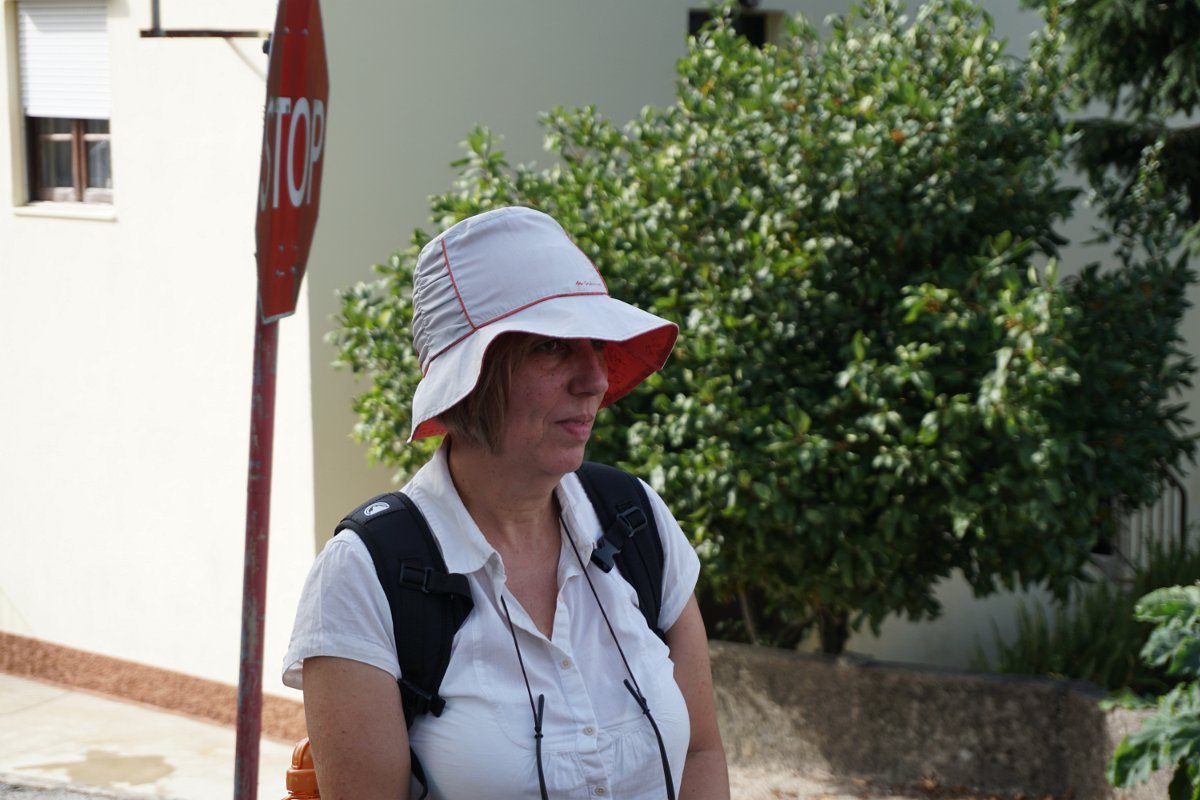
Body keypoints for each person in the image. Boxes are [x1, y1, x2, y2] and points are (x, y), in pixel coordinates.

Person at [282, 206, 729, 799]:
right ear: (470, 380)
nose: (595, 379)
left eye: (596, 344)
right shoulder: (365, 577)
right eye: (551, 346)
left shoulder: (634, 518)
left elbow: (700, 752)